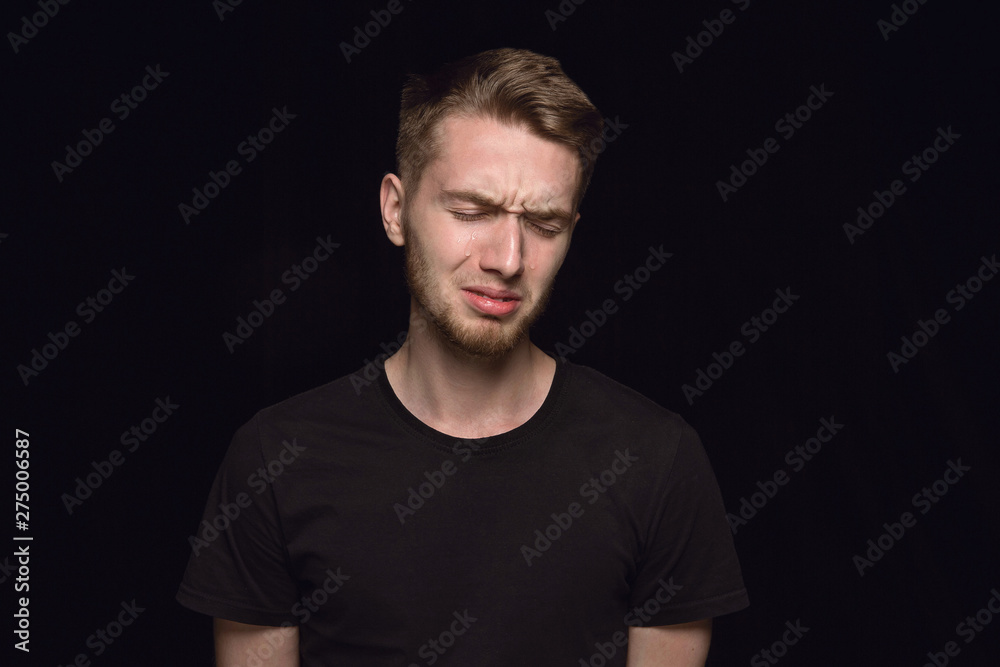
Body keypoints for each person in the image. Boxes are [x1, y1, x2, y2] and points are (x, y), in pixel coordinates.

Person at [176, 47, 749, 666]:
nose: (507, 258)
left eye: (545, 224)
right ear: (396, 210)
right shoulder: (273, 460)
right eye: (472, 212)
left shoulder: (657, 461)